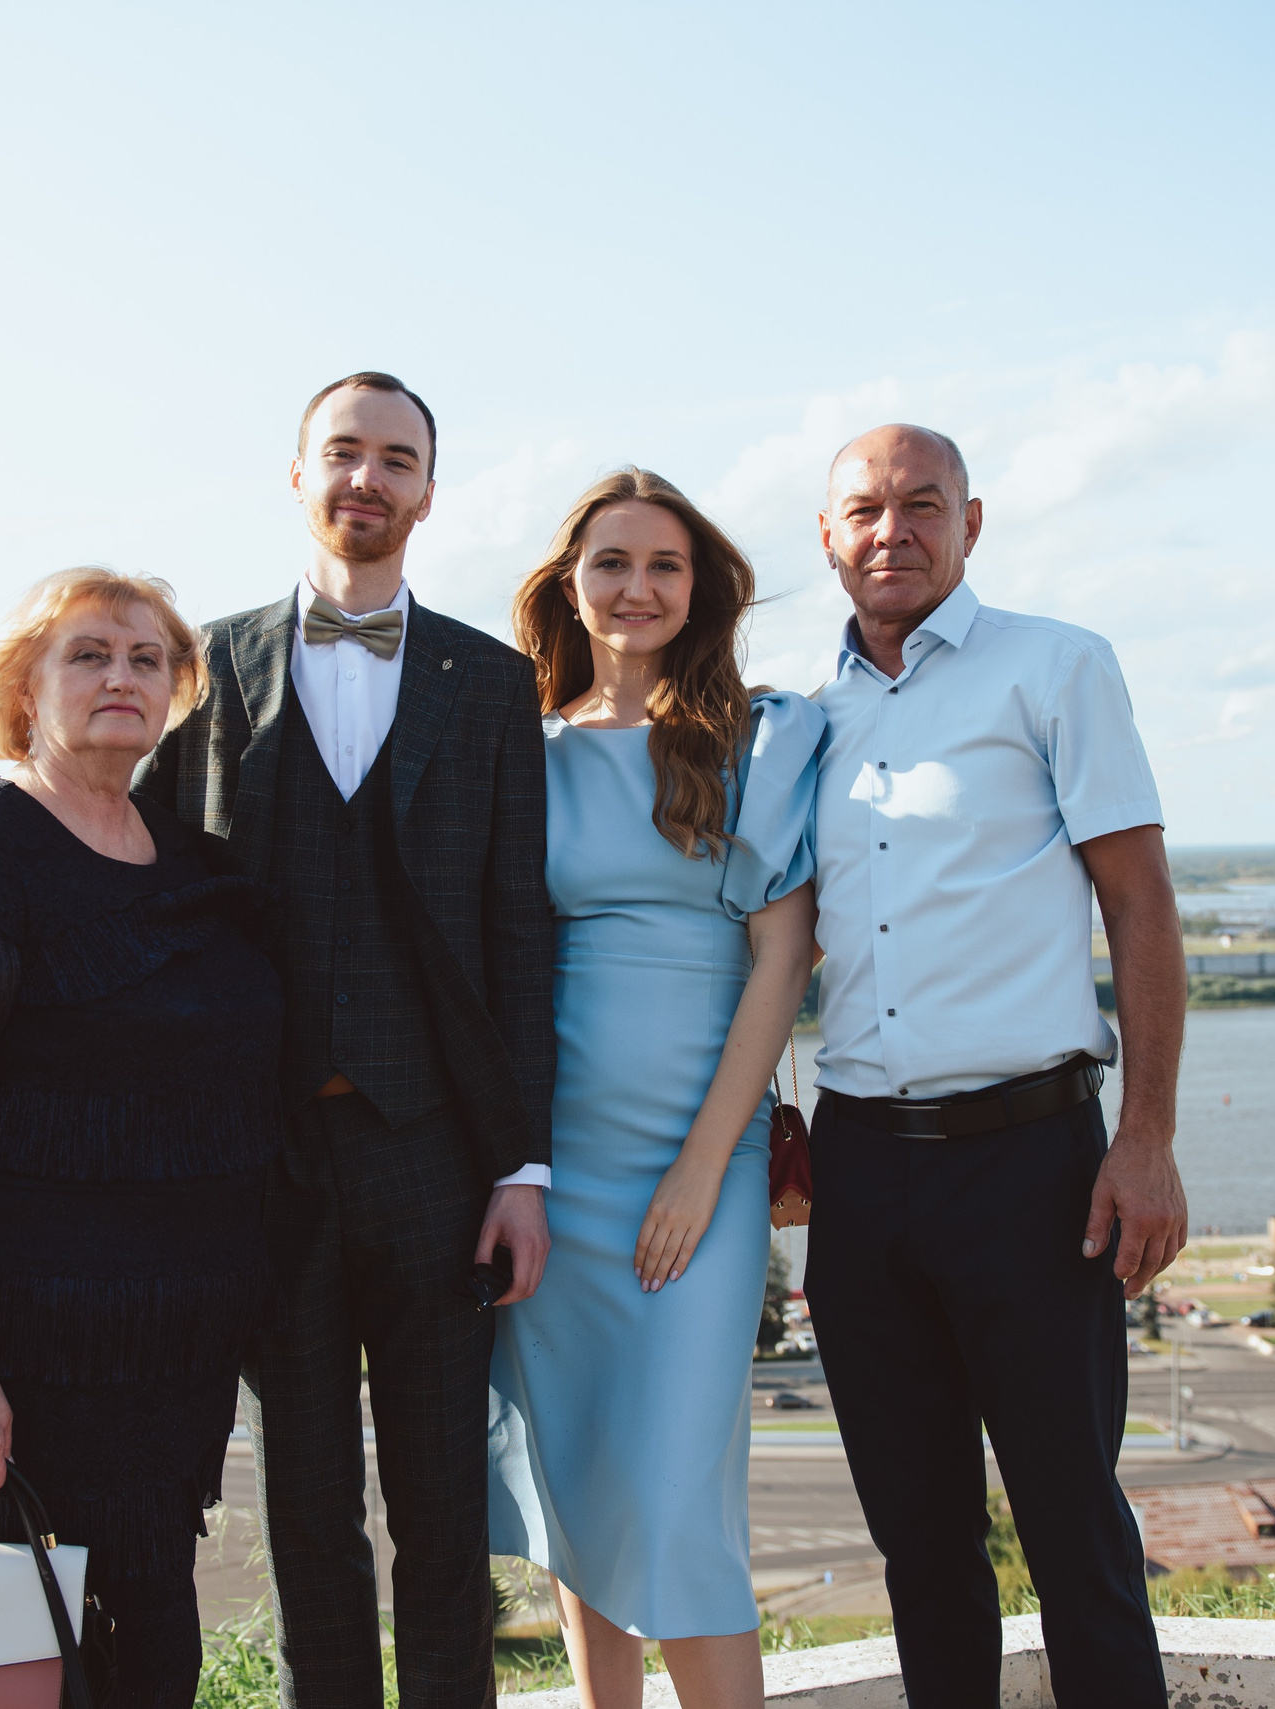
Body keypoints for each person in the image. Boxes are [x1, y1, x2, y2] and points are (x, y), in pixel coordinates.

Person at [136, 372, 555, 1709]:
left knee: (444, 1517)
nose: (366, 480)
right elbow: (153, 907)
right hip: (266, 1165)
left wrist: (522, 1168)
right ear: (298, 472)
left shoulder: (493, 686)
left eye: (396, 459)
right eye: (343, 454)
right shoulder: (203, 666)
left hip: (435, 1158)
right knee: (306, 1516)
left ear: (428, 490)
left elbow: (519, 940)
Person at [802, 426, 1189, 1709]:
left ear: (973, 523)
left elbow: (1140, 906)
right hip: (859, 1175)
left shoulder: (1057, 668)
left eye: (923, 505)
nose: (891, 531)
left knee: (1072, 1525)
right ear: (828, 536)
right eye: (864, 509)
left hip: (1032, 1167)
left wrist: (1145, 1137)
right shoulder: (801, 714)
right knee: (917, 1539)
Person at [0, 568, 282, 1709]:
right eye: (88, 653)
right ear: (24, 686)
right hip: (11, 1379)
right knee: (2, 1677)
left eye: (148, 659)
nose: (121, 677)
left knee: (149, 1664)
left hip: (158, 1376)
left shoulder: (192, 864)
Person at [488, 469, 819, 1709]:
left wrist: (701, 1162)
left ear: (700, 587)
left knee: (680, 1499)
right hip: (555, 1172)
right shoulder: (522, 751)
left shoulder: (763, 735)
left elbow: (781, 958)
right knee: (582, 1479)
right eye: (611, 562)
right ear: (570, 583)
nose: (636, 587)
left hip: (703, 1162)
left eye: (664, 564)